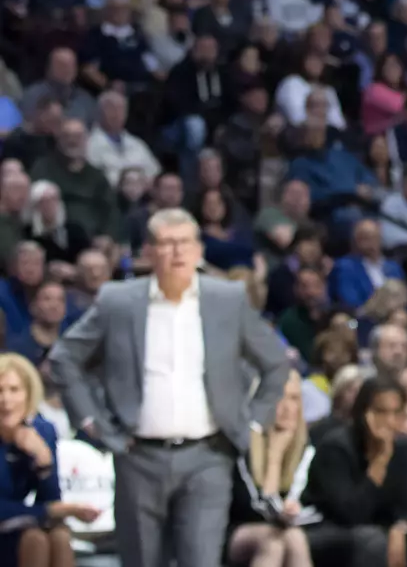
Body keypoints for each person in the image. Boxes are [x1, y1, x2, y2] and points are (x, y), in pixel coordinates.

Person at [49, 208, 290, 567]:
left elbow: (276, 362)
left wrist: (252, 422)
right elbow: (64, 357)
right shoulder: (117, 301)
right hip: (137, 455)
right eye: (166, 243)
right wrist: (91, 421)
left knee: (201, 559)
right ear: (148, 252)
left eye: (184, 242)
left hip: (208, 455)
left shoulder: (228, 299)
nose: (176, 252)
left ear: (198, 250)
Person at [302, 377, 407, 567]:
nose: (389, 421)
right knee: (373, 540)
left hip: (380, 531)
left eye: (396, 412)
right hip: (329, 529)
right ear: (362, 412)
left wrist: (400, 530)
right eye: (381, 412)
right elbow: (351, 514)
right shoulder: (335, 447)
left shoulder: (399, 448)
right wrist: (380, 462)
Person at [0, 352, 99, 567]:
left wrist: (43, 462)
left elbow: (51, 497)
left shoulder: (42, 431)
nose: (5, 400)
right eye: (0, 390)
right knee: (35, 539)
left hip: (18, 526)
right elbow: (50, 508)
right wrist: (49, 511)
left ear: (28, 395)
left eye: (14, 390)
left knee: (60, 537)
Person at [228, 370, 317, 567]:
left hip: (283, 530)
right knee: (273, 543)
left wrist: (292, 510)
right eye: (278, 398)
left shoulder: (305, 448)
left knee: (294, 538)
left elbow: (304, 502)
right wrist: (275, 456)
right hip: (238, 529)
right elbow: (252, 509)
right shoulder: (243, 445)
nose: (287, 408)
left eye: (294, 398)